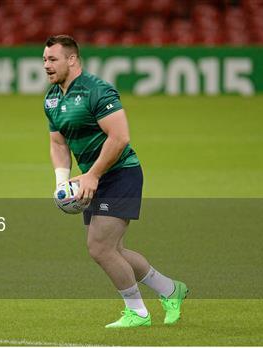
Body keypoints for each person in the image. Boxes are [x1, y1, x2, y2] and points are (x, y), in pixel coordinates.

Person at [43, 35, 188, 328]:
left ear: (72, 60)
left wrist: (93, 174)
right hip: (91, 179)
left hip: (120, 174)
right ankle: (171, 290)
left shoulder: (98, 90)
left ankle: (137, 312)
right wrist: (61, 181)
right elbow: (58, 143)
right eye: (44, 60)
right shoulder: (52, 98)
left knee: (100, 248)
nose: (46, 65)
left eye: (53, 59)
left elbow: (120, 137)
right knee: (115, 250)